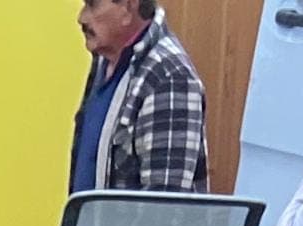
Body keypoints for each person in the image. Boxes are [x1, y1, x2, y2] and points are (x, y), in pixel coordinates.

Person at [71, 0, 210, 197]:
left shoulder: (168, 76)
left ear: (128, 7)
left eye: (92, 5)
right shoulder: (106, 60)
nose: (81, 18)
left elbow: (160, 209)